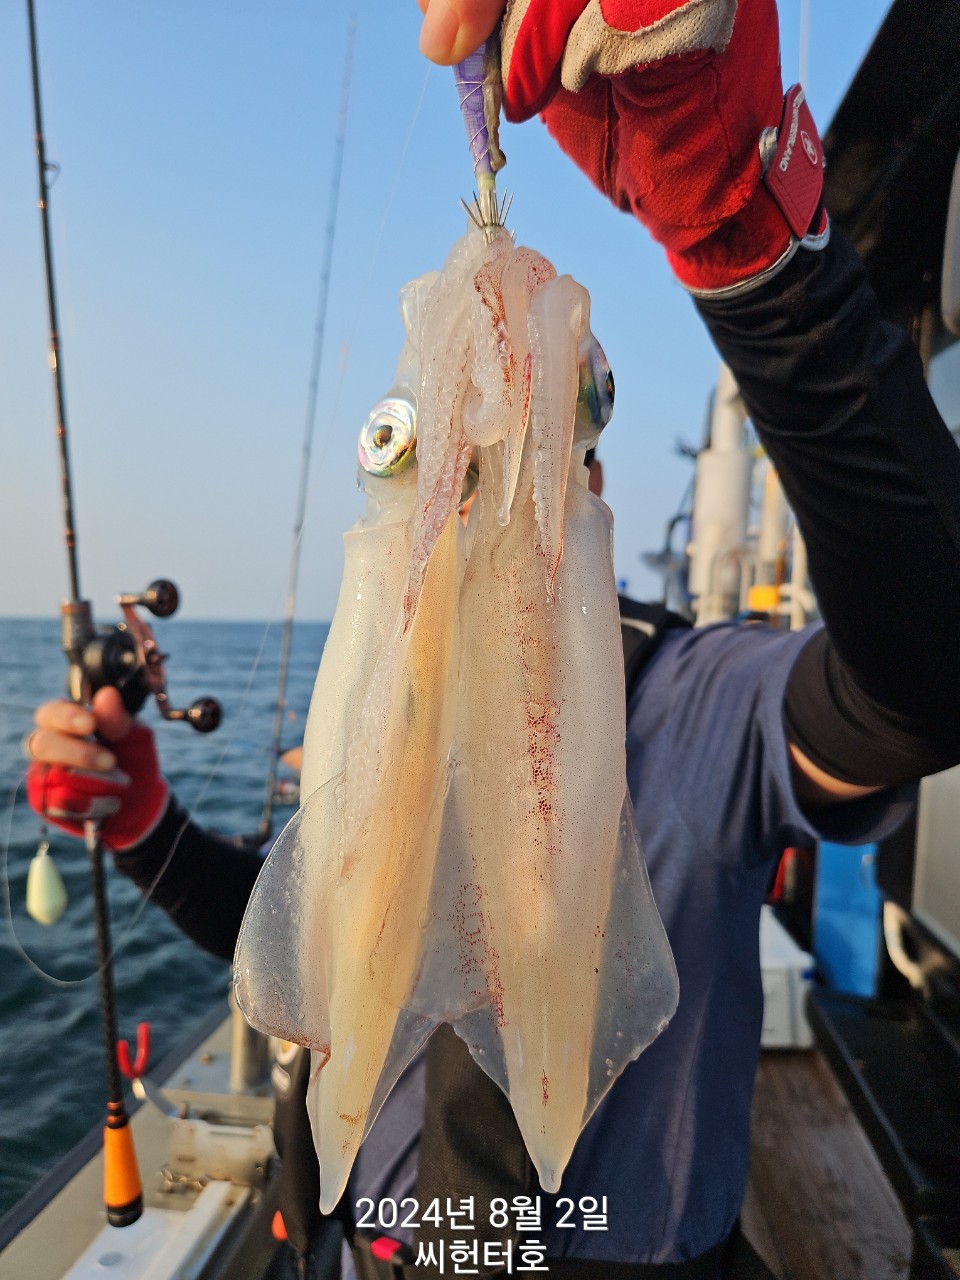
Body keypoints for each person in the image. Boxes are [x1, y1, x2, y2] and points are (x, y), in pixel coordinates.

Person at [25, 0, 960, 1275]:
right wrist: (147, 827)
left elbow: (923, 682)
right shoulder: (390, 711)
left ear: (592, 482)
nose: (480, 487)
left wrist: (751, 245)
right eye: (413, 451)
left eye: (555, 432)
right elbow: (330, 948)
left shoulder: (698, 701)